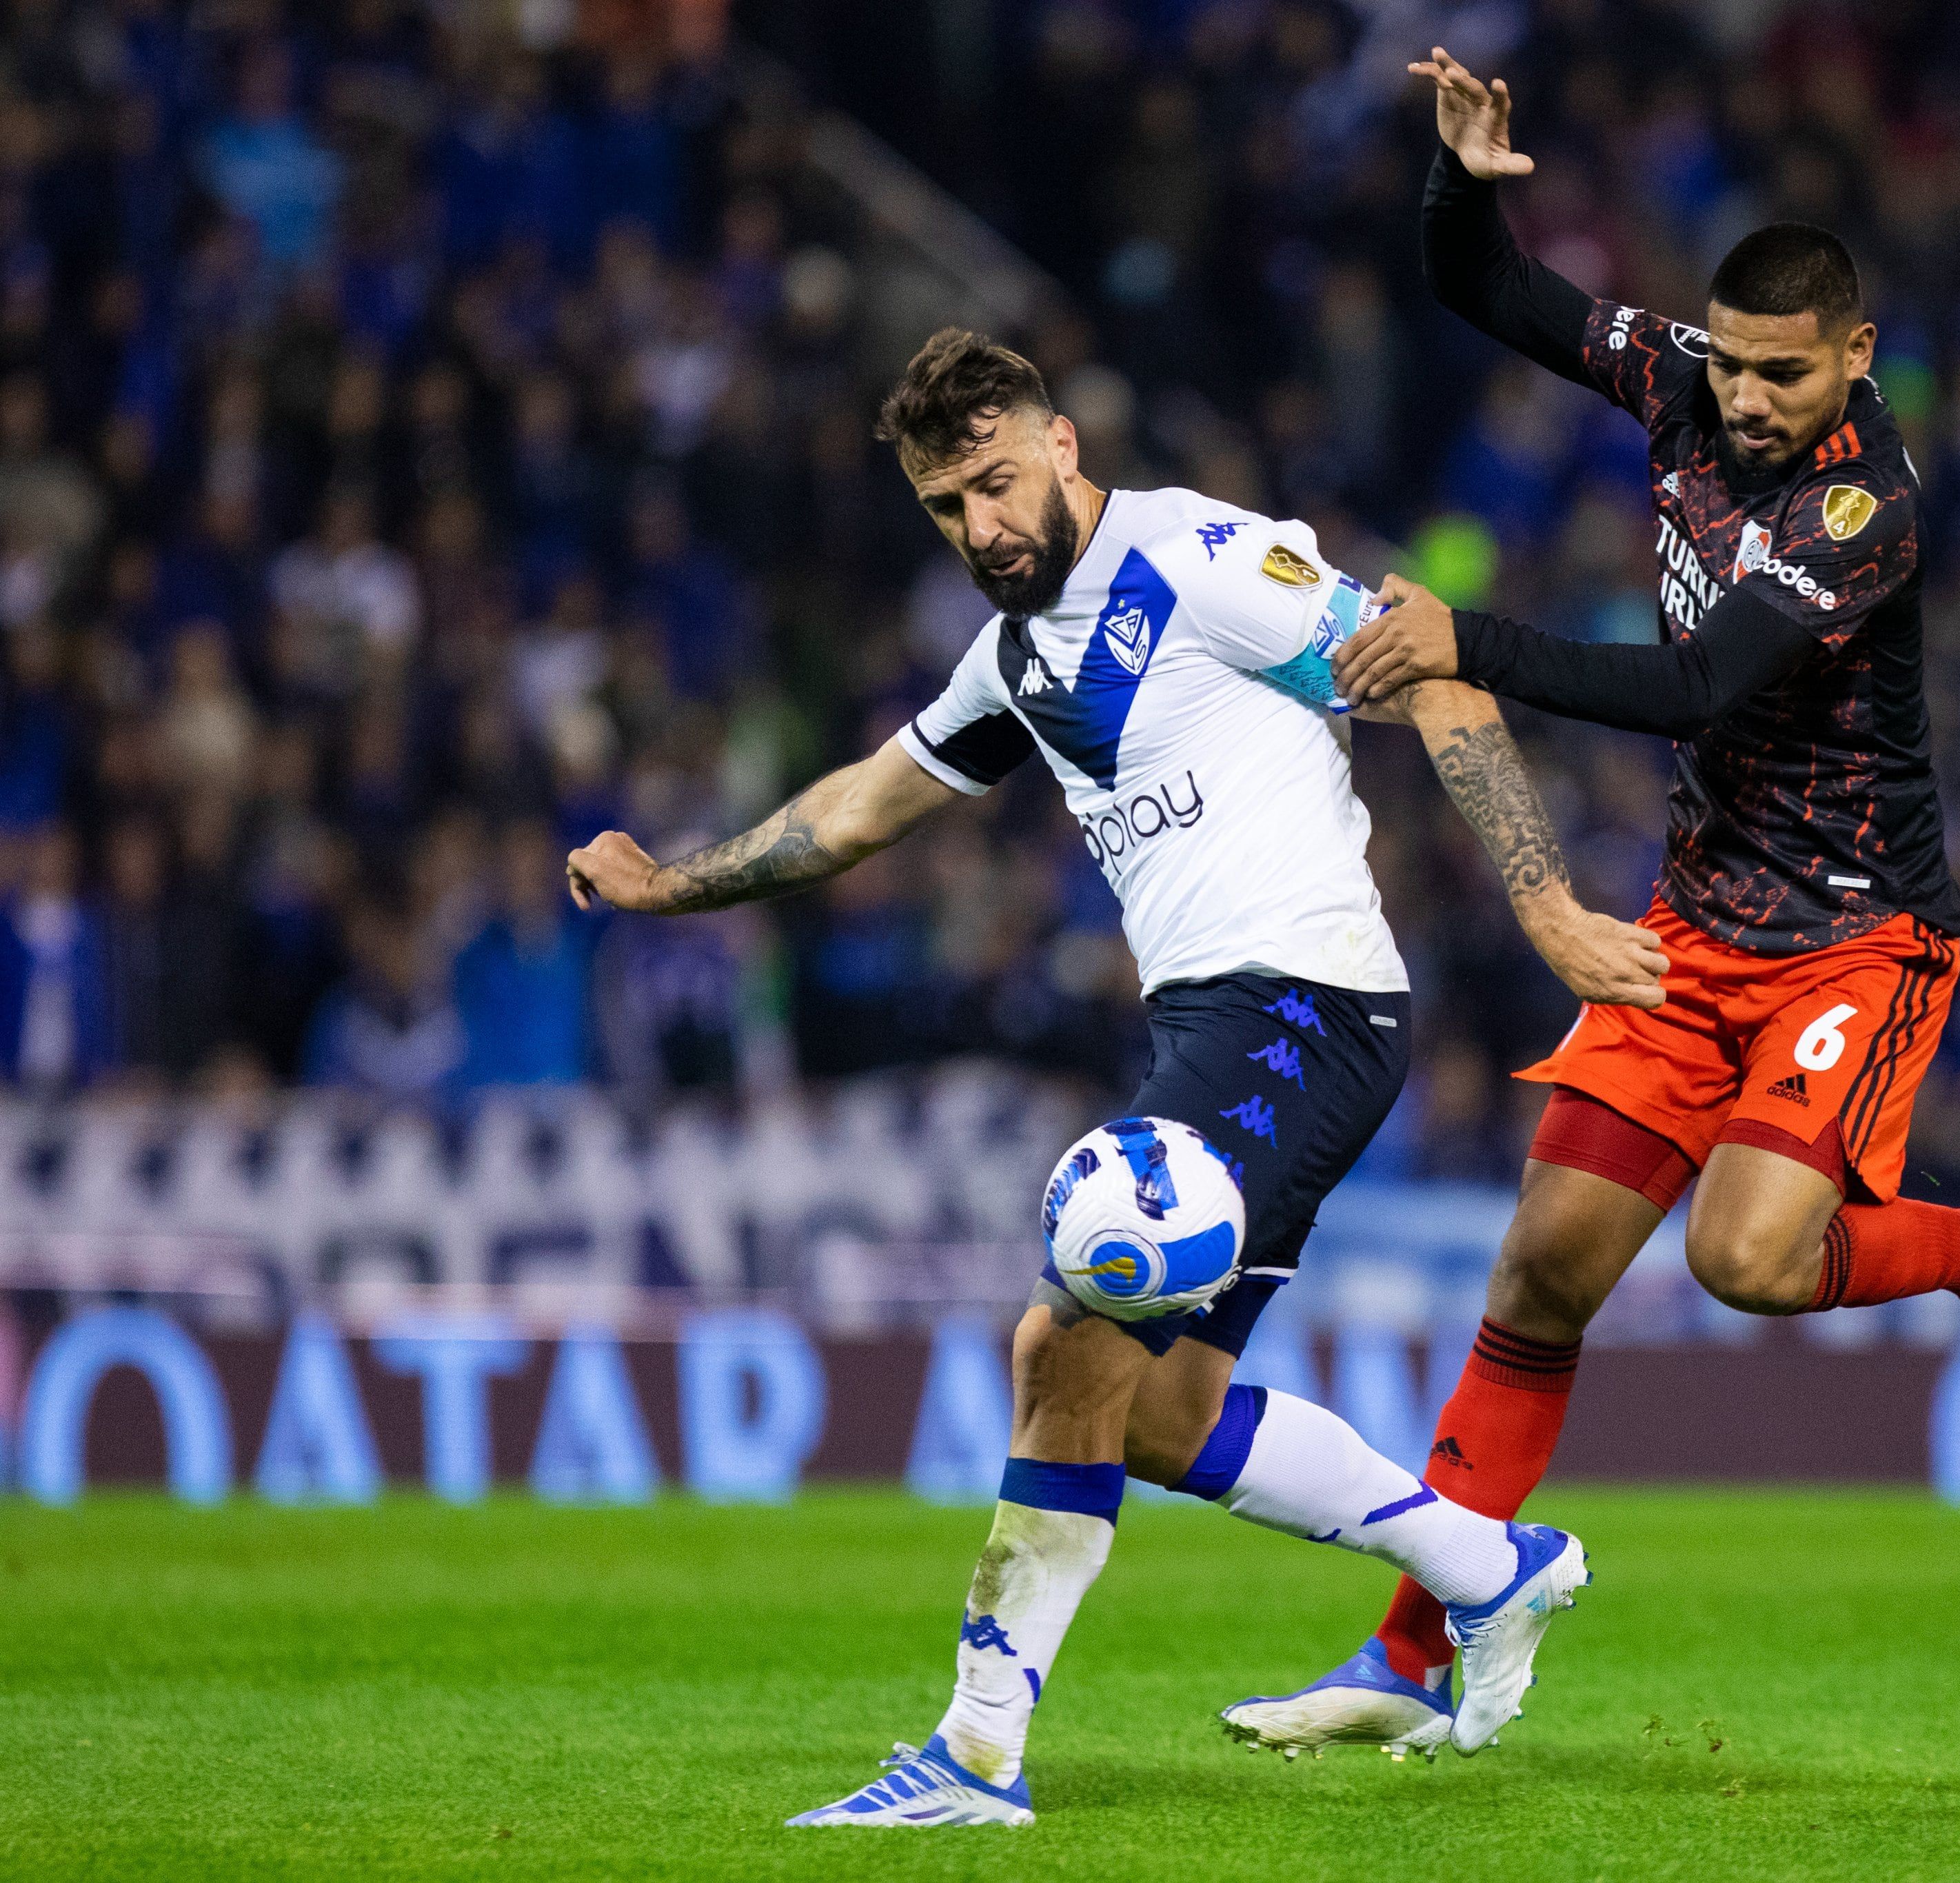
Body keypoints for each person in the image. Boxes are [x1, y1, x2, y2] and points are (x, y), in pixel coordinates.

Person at [565, 329, 1664, 1824]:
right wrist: (668, 885)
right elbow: (859, 809)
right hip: (1224, 1023)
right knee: (1147, 1409)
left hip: (1299, 1006)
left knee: (1059, 1347)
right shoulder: (1015, 657)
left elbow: (1436, 676)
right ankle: (1490, 1563)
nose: (984, 529)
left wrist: (1545, 912)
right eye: (949, 510)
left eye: (1000, 485)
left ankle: (973, 1753)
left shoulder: (1198, 557)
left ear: (1062, 445)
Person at [1220, 50, 1960, 1752]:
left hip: (1857, 930)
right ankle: (1403, 1655)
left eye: (1781, 373)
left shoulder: (1863, 508)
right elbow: (1484, 288)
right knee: (1538, 1271)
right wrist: (1462, 179)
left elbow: (1698, 689)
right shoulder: (1679, 375)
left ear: (1854, 358)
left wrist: (1470, 640)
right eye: (1734, 365)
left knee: (1747, 1257)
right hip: (1692, 925)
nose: (1746, 400)